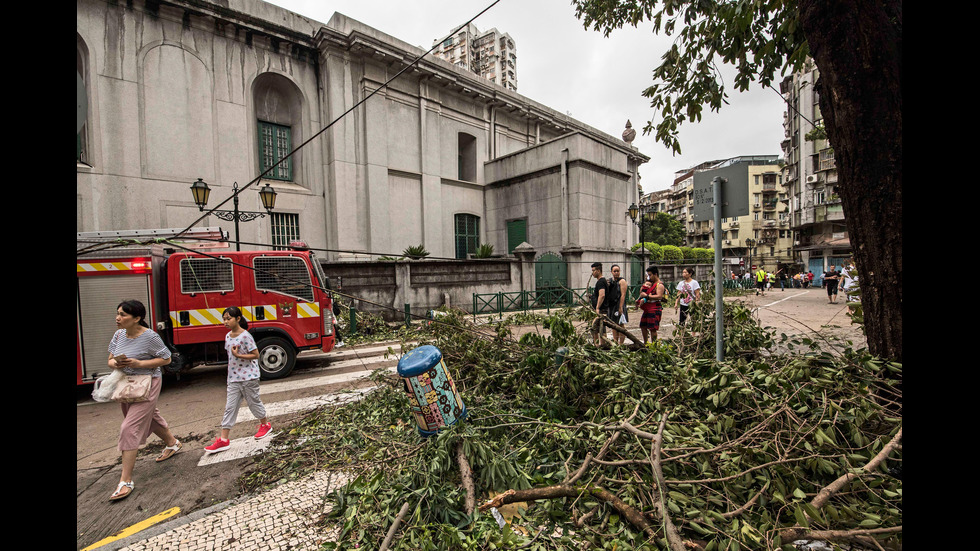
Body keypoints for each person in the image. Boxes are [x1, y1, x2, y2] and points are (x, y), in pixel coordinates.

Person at [107, 299, 182, 502]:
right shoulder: (118, 334)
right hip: (127, 382)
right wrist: (117, 363)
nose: (118, 318)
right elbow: (110, 360)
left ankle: (125, 481)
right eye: (118, 313)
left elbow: (167, 359)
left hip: (148, 382)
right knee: (149, 416)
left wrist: (140, 363)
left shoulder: (150, 337)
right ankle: (172, 443)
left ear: (137, 318)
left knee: (129, 428)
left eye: (123, 314)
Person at [204, 307, 272, 455]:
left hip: (249, 377)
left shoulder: (246, 336)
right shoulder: (228, 336)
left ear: (238, 319)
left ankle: (265, 425)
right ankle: (223, 440)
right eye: (224, 319)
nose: (226, 322)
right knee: (230, 407)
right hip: (233, 378)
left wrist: (239, 355)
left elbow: (256, 355)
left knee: (254, 402)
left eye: (229, 318)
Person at [636, 266, 666, 343]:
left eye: (650, 275)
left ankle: (654, 345)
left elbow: (659, 296)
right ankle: (646, 343)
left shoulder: (659, 285)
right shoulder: (651, 283)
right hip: (647, 309)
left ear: (655, 274)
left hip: (654, 309)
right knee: (643, 326)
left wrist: (647, 296)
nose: (649, 277)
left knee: (652, 328)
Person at [589, 262, 610, 344]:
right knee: (599, 328)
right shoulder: (602, 281)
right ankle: (600, 345)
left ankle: (600, 346)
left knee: (598, 328)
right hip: (601, 309)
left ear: (598, 270)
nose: (592, 273)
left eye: (593, 270)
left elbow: (602, 295)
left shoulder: (601, 282)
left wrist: (597, 308)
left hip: (601, 310)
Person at [608, 265, 629, 345]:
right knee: (613, 324)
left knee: (620, 324)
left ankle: (621, 343)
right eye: (614, 271)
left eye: (618, 271)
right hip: (612, 305)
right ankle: (615, 342)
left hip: (619, 304)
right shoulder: (610, 281)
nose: (616, 273)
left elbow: (623, 295)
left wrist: (620, 307)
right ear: (611, 272)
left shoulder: (622, 281)